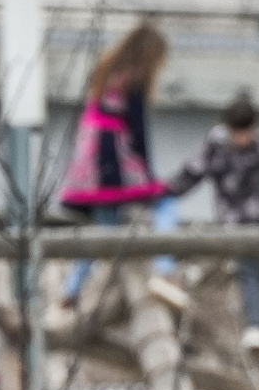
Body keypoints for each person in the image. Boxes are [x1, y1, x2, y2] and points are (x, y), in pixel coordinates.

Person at [163, 93, 259, 356]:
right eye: (237, 132)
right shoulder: (216, 144)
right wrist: (163, 192)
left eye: (246, 133)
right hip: (232, 222)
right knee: (250, 265)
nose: (242, 139)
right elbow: (191, 174)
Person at [60, 20, 181, 309]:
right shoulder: (135, 79)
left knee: (106, 231)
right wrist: (148, 176)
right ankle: (165, 270)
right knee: (165, 204)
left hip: (91, 163)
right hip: (114, 160)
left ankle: (71, 289)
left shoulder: (105, 71)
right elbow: (138, 133)